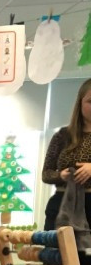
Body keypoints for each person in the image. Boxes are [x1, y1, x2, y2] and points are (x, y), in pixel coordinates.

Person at [41, 77, 91, 233]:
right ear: (80, 103)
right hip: (61, 204)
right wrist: (61, 176)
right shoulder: (62, 135)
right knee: (55, 248)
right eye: (90, 101)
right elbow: (46, 174)